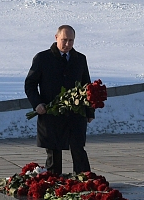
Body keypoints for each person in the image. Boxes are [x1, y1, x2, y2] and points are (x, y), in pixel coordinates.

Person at [24, 25, 94, 175]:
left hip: (75, 113)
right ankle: (54, 182)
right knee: (54, 153)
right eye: (64, 40)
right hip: (51, 113)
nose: (67, 44)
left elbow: (87, 86)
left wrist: (89, 111)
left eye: (71, 40)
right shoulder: (42, 58)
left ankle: (84, 182)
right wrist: (37, 104)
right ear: (56, 38)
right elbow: (30, 84)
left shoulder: (80, 59)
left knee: (78, 149)